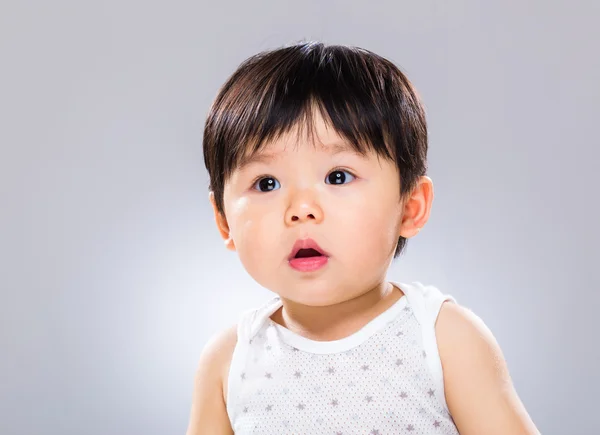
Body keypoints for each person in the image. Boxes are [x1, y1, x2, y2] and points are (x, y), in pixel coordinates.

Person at [186, 41, 540, 434]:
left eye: (338, 176)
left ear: (410, 207)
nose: (301, 208)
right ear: (223, 222)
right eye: (266, 183)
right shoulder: (230, 361)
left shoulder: (443, 339)